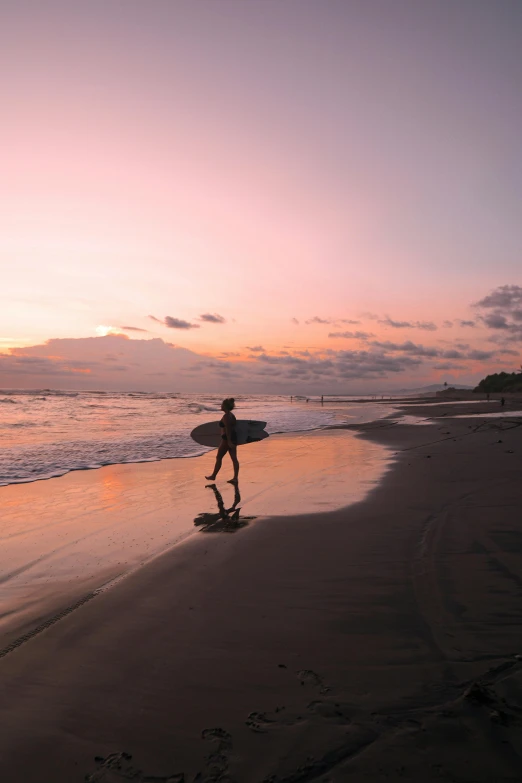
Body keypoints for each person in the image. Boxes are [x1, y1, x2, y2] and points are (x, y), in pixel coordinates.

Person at [205, 397, 239, 483]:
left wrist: (229, 441)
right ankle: (235, 478)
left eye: (222, 404)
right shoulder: (232, 415)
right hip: (233, 438)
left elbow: (228, 429)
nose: (221, 406)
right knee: (234, 459)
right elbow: (234, 426)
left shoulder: (226, 416)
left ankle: (213, 476)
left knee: (219, 457)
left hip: (227, 439)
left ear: (225, 406)